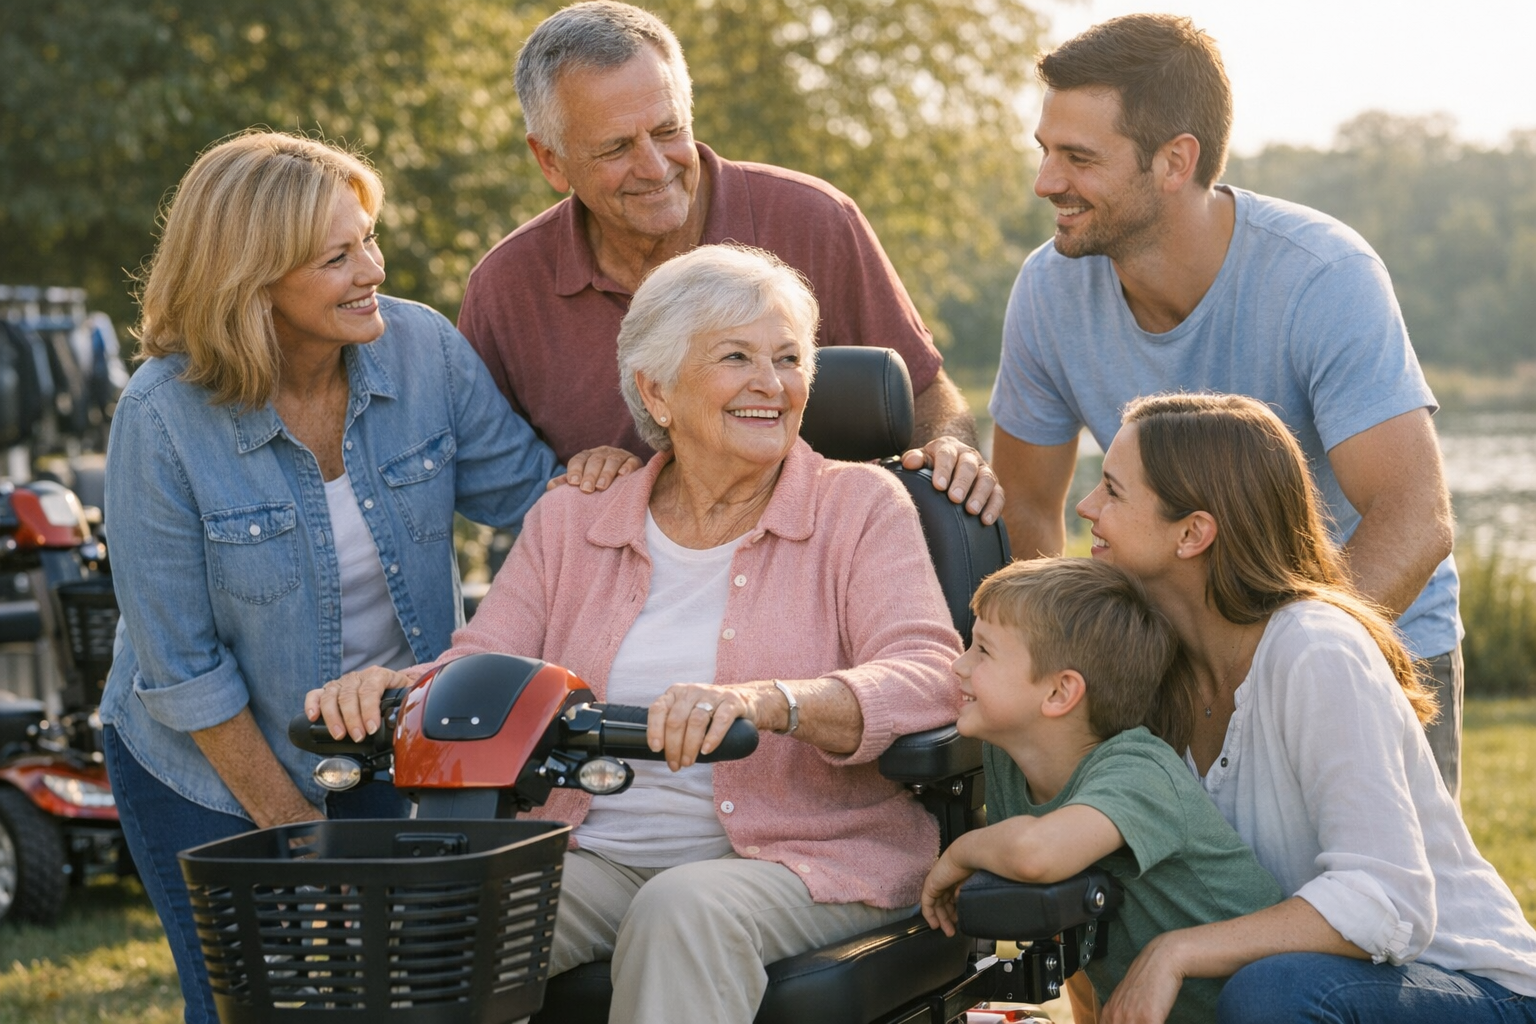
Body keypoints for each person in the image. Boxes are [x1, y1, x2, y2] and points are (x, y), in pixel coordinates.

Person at [310, 244, 964, 1024]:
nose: (773, 383)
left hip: (802, 855)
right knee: (443, 918)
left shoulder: (858, 505)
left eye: (790, 359)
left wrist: (773, 702)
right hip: (592, 853)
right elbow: (481, 663)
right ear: (657, 392)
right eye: (736, 357)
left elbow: (929, 672)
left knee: (682, 910)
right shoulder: (573, 520)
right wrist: (390, 692)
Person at [101, 131, 635, 1024]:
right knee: (269, 1002)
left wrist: (605, 482)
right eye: (337, 257)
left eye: (369, 240)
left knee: (406, 998)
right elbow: (182, 672)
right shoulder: (160, 417)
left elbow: (533, 501)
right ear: (251, 278)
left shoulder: (422, 350)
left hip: (386, 735)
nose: (372, 270)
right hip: (207, 763)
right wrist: (295, 838)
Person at [988, 13, 1463, 798]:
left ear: (1176, 161)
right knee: (1204, 908)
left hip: (1369, 634)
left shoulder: (1322, 275)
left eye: (1078, 157)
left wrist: (1273, 670)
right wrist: (1086, 670)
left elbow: (1415, 518)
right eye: (1045, 152)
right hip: (1181, 665)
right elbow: (1029, 512)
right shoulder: (1047, 289)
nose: (1046, 182)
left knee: (1378, 913)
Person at [1075, 392, 1536, 1024]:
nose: (1086, 507)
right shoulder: (1167, 674)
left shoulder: (1316, 652)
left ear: (1192, 533)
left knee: (1271, 992)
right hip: (1335, 985)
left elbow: (1386, 902)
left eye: (1112, 490)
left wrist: (1176, 952)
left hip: (1476, 989)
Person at [458, 0, 1004, 524]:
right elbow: (493, 482)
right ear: (551, 161)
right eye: (616, 149)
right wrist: (581, 485)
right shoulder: (505, 291)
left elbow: (925, 392)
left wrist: (950, 452)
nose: (654, 167)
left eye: (669, 131)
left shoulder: (816, 220)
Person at [920, 558, 1282, 1022]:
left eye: (983, 650)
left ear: (1059, 693)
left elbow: (1037, 853)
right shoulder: (1008, 759)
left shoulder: (1139, 771)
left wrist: (958, 854)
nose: (959, 664)